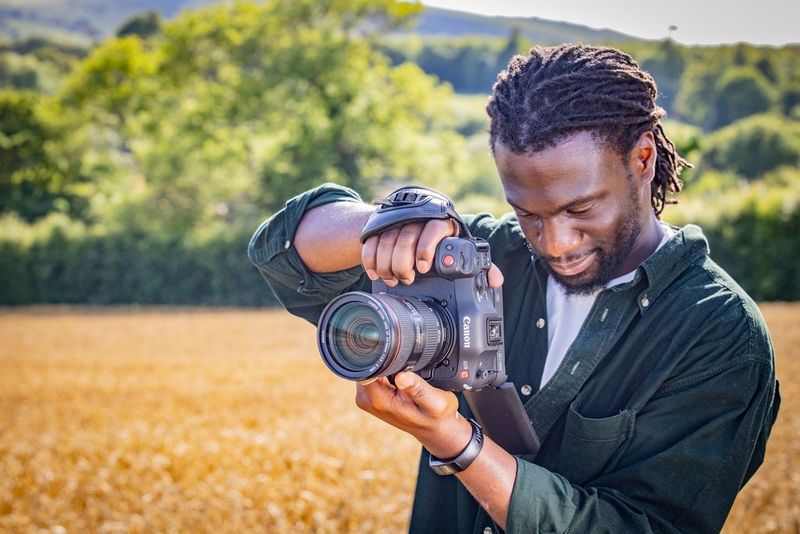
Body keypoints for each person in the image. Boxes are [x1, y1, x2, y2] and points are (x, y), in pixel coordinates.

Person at [248, 44, 780, 533]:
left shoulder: (719, 334)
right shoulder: (476, 256)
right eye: (527, 213)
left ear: (642, 159)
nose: (554, 242)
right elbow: (281, 250)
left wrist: (456, 442)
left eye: (581, 209)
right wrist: (398, 220)